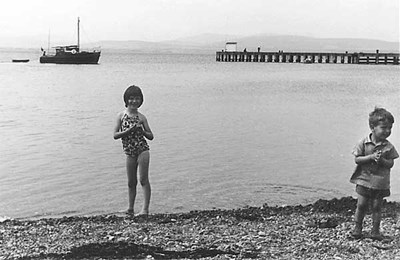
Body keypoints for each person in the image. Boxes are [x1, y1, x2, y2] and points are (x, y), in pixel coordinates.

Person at [350, 107, 398, 240]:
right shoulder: (364, 143)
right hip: (363, 179)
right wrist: (370, 157)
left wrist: (382, 160)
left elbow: (391, 163)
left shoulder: (388, 146)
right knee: (361, 204)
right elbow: (357, 159)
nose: (387, 131)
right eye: (384, 127)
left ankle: (375, 231)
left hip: (380, 182)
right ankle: (357, 228)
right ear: (372, 127)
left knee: (377, 206)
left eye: (390, 128)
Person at [114, 85, 154, 216]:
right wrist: (128, 131)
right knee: (131, 182)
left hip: (142, 151)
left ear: (141, 101)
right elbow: (115, 135)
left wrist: (141, 131)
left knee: (143, 179)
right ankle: (130, 208)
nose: (134, 101)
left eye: (137, 99)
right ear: (126, 100)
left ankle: (145, 209)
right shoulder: (121, 116)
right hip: (129, 153)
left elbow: (151, 136)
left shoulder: (141, 117)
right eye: (131, 98)